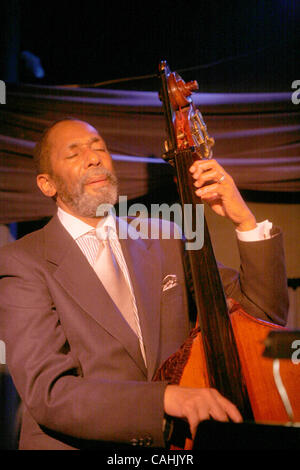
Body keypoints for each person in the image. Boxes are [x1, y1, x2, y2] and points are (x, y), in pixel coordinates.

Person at [0, 118, 288, 450]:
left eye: (99, 148)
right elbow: (50, 393)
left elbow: (261, 315)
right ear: (46, 184)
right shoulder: (22, 262)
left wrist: (245, 221)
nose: (94, 158)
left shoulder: (164, 236)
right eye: (74, 153)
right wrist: (164, 399)